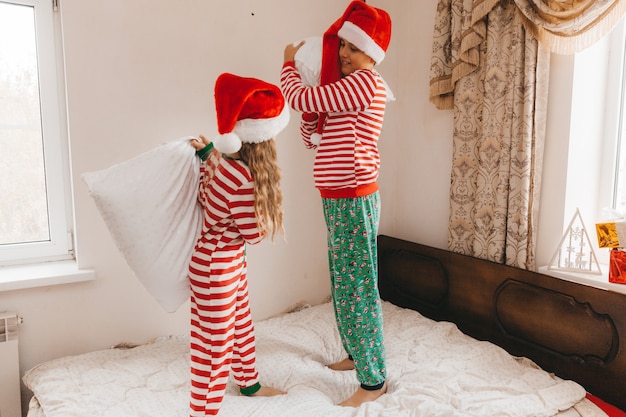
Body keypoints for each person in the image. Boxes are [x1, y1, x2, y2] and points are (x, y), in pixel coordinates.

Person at [280, 0, 392, 409]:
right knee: (341, 281)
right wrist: (313, 123)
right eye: (342, 45)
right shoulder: (344, 95)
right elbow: (314, 136)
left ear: (372, 55)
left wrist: (289, 64)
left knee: (358, 286)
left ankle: (374, 377)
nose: (344, 54)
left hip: (354, 197)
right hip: (337, 198)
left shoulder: (368, 84)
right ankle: (355, 353)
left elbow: (299, 98)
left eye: (354, 47)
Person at [187, 72, 290, 416]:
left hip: (215, 262)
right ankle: (203, 412)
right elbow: (253, 235)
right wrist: (260, 213)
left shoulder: (222, 164)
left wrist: (206, 155)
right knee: (214, 349)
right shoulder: (244, 179)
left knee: (241, 324)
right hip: (220, 269)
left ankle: (249, 383)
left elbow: (207, 192)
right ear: (261, 141)